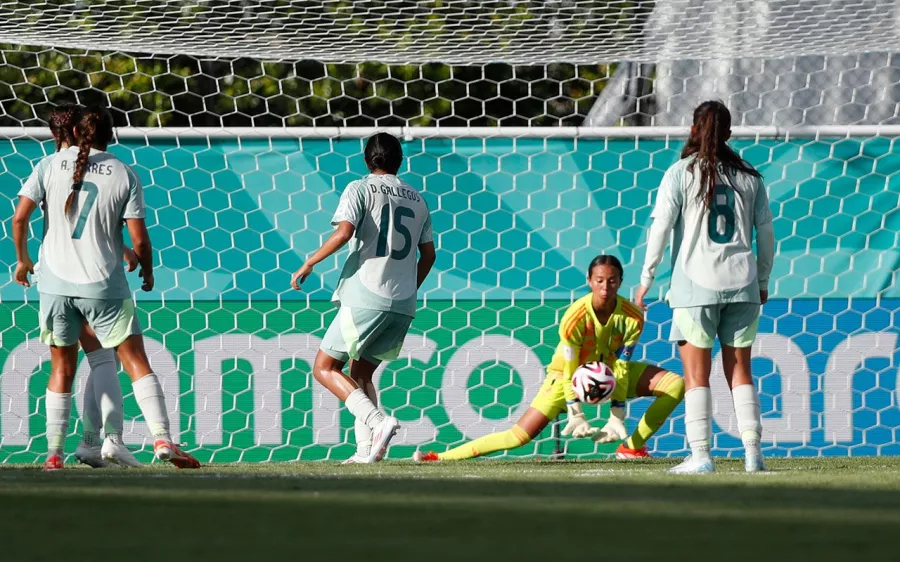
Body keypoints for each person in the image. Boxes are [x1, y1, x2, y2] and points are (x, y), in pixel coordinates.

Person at [13, 105, 200, 470]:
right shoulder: (124, 172)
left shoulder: (51, 165)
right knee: (133, 360)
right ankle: (160, 438)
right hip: (103, 284)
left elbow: (20, 217)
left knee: (64, 368)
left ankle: (55, 454)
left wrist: (22, 260)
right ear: (110, 134)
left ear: (75, 133)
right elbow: (139, 239)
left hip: (54, 283)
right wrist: (145, 267)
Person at [413, 255, 685, 462]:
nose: (605, 287)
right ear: (589, 281)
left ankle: (632, 447)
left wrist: (617, 415)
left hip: (611, 374)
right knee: (518, 437)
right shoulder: (575, 318)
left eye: (611, 281)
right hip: (564, 377)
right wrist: (575, 411)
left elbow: (623, 366)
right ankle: (439, 457)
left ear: (620, 282)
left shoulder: (632, 316)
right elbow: (570, 368)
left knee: (675, 385)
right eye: (599, 281)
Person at [635, 100, 775, 474]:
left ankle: (701, 456)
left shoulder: (680, 173)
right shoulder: (751, 177)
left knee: (697, 376)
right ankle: (753, 454)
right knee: (740, 371)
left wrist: (646, 278)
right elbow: (767, 235)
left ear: (693, 130)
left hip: (696, 285)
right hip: (743, 283)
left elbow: (661, 229)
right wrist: (762, 280)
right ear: (729, 133)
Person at [291, 132, 436, 464]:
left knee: (324, 367)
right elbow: (428, 256)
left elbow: (344, 232)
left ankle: (378, 422)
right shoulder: (417, 199)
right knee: (361, 374)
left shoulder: (359, 188)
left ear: (367, 160)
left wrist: (310, 261)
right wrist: (409, 288)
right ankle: (366, 450)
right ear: (400, 161)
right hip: (403, 302)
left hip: (367, 294)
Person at [38, 104, 141, 468]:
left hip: (54, 280)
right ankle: (108, 440)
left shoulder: (53, 167)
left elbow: (72, 224)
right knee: (103, 360)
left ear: (58, 135)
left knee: (93, 360)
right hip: (90, 281)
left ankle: (77, 447)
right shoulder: (95, 169)